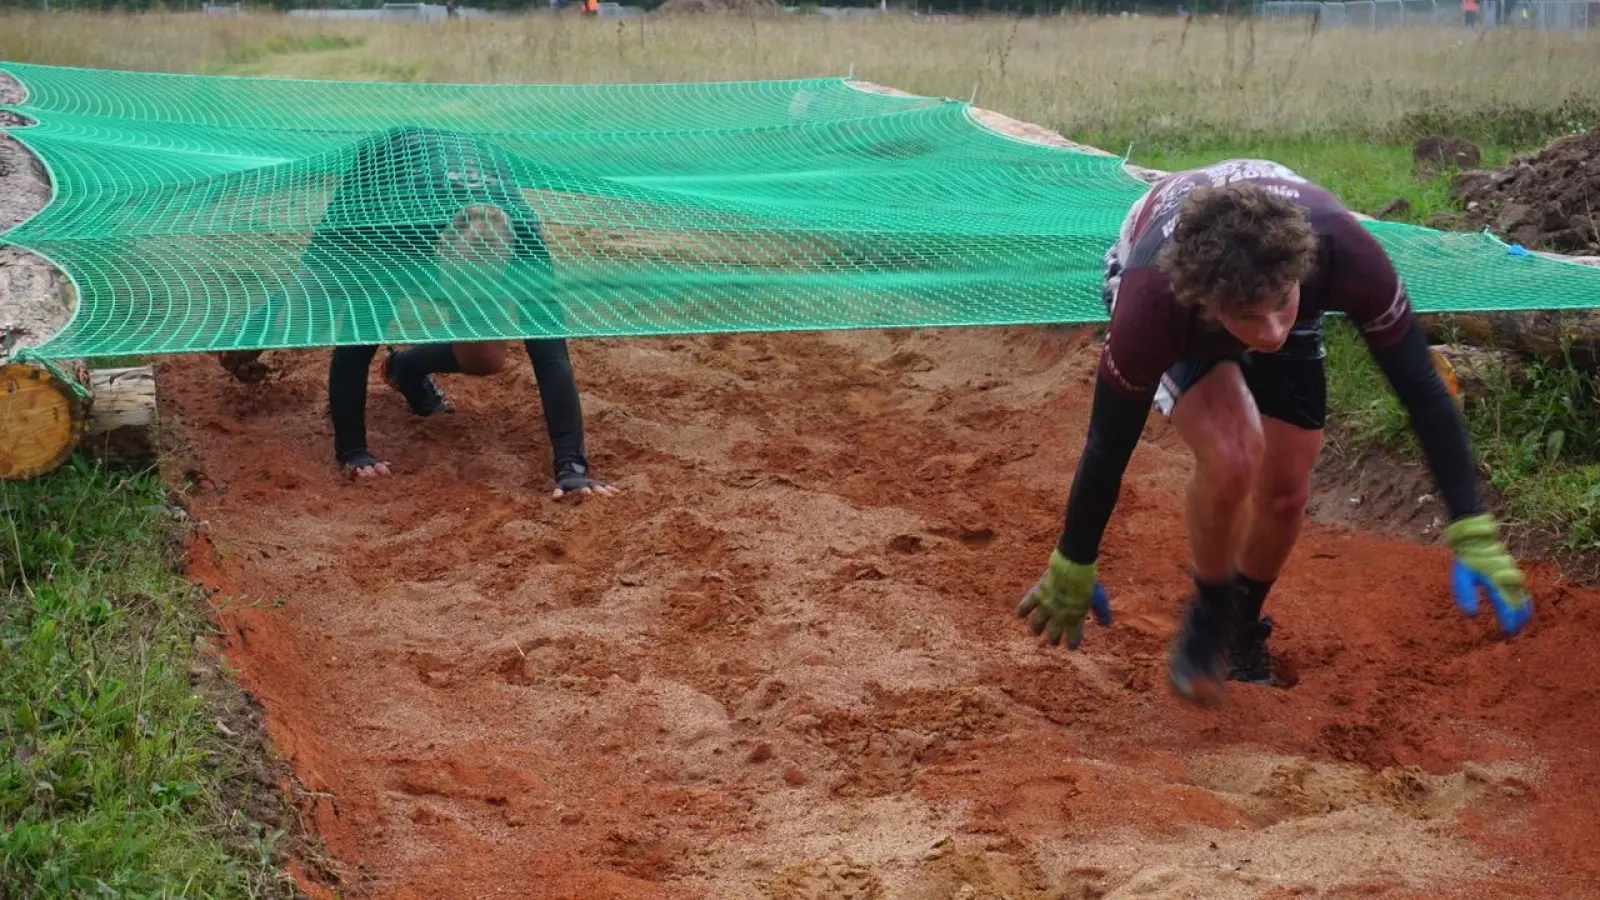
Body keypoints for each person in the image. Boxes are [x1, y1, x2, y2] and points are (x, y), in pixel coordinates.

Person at [1016, 159, 1533, 706]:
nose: (1271, 333)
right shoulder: (1155, 302)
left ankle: (1241, 624)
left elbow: (1421, 387)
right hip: (1175, 282)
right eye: (1249, 317)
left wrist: (1471, 524)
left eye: (1282, 305)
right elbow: (1107, 440)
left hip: (1268, 273)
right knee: (1234, 453)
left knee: (1286, 488)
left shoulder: (1341, 250)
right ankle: (1209, 613)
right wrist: (1075, 556)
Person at [218, 125, 616, 502]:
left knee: (485, 358)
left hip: (462, 166)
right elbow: (356, 345)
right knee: (314, 308)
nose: (461, 306)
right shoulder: (397, 236)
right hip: (383, 174)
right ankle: (243, 338)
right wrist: (353, 452)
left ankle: (405, 369)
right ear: (437, 254)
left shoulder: (526, 244)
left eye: (479, 295)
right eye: (457, 290)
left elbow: (552, 357)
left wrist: (571, 468)